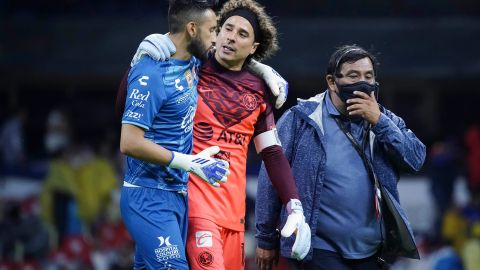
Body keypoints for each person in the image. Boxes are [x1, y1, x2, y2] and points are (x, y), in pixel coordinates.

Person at [117, 1, 311, 269]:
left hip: (234, 216)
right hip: (194, 205)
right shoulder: (191, 67)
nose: (230, 36)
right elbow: (131, 104)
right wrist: (139, 60)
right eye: (225, 28)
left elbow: (272, 152)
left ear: (253, 48)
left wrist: (294, 204)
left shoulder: (260, 90)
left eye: (242, 34)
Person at [255, 45, 426, 270]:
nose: (362, 82)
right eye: (353, 76)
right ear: (332, 81)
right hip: (318, 248)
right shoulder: (301, 119)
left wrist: (380, 122)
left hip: (371, 250)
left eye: (368, 76)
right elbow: (270, 178)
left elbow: (416, 160)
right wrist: (266, 237)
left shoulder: (384, 120)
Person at [118, 0, 230, 269]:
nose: (216, 38)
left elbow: (231, 60)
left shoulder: (191, 62)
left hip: (176, 194)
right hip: (147, 195)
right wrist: (188, 162)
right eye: (213, 30)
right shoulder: (151, 73)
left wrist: (265, 71)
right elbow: (129, 142)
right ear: (192, 29)